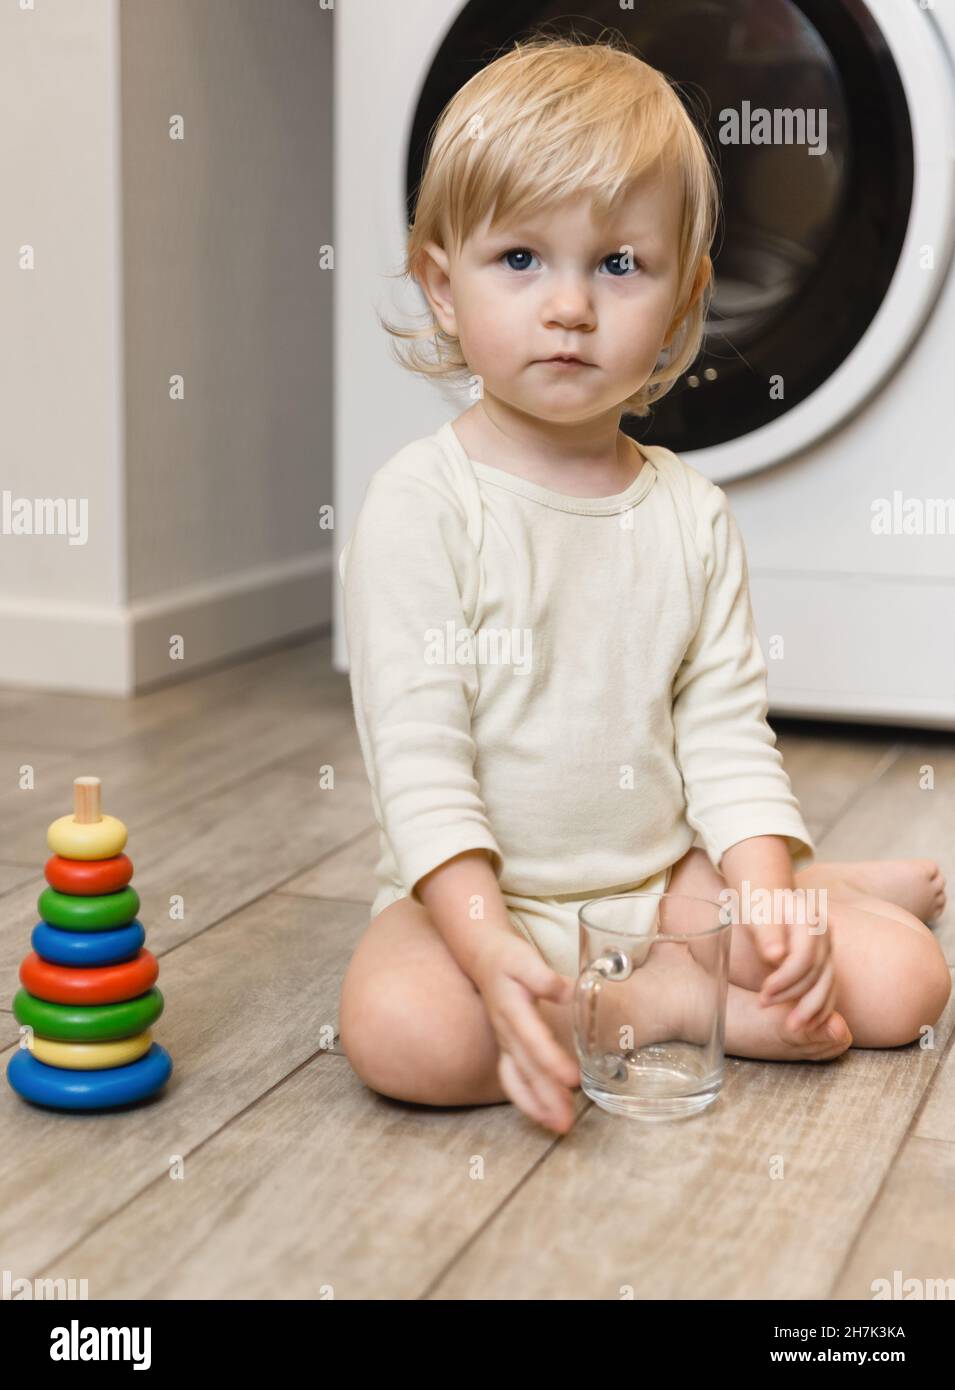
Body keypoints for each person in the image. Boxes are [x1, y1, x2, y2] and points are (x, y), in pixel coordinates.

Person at [337, 32, 950, 1134]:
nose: (569, 305)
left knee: (906, 987)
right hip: (484, 897)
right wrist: (486, 951)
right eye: (520, 259)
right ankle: (672, 1003)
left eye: (617, 265)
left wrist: (757, 893)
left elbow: (721, 730)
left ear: (680, 304)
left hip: (663, 885)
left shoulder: (688, 514)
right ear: (441, 284)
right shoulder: (422, 506)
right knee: (402, 1031)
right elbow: (419, 763)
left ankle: (767, 922)